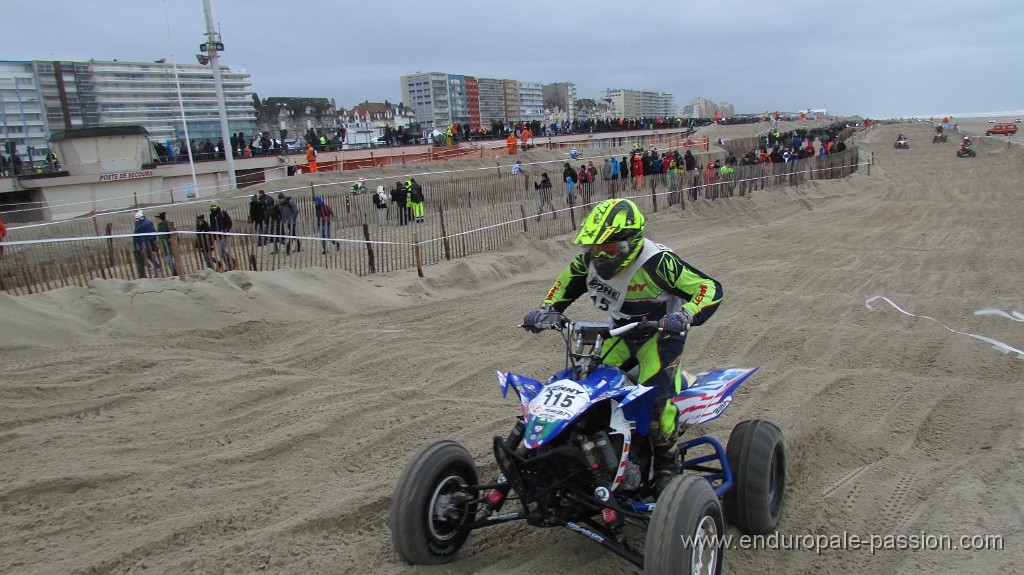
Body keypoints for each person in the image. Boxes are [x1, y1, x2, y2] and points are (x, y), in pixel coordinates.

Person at [522, 198, 722, 497]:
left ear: (632, 242)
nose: (601, 257)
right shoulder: (589, 261)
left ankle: (667, 463)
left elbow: (709, 288)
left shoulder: (658, 263)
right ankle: (588, 449)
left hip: (660, 334)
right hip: (620, 330)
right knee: (589, 386)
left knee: (655, 398)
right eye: (595, 249)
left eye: (609, 250)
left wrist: (684, 315)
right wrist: (547, 309)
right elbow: (565, 283)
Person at [132, 210, 161, 277]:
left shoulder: (147, 223)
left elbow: (152, 234)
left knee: (148, 257)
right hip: (139, 243)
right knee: (143, 257)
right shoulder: (138, 223)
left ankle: (156, 269)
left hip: (145, 243)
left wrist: (146, 241)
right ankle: (153, 269)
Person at [209, 202, 236, 270]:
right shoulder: (211, 215)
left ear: (217, 206)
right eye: (212, 206)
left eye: (214, 206)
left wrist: (225, 230)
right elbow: (212, 226)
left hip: (224, 234)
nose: (213, 208)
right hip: (218, 236)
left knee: (221, 250)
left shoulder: (222, 213)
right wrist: (214, 235)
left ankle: (231, 261)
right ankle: (229, 264)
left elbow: (229, 223)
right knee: (221, 251)